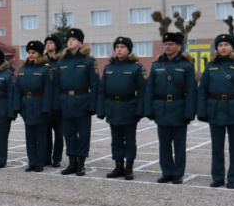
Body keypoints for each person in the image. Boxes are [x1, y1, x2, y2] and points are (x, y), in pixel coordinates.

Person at [197, 34, 234, 189]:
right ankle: (217, 177)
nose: (223, 48)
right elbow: (202, 91)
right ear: (216, 48)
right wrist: (201, 111)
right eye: (220, 45)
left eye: (226, 45)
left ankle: (233, 178)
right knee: (217, 147)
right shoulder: (211, 66)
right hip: (215, 108)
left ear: (232, 47)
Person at [144, 32, 197, 184]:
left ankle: (178, 173)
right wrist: (149, 110)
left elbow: (192, 91)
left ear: (179, 46)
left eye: (171, 44)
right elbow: (149, 90)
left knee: (179, 145)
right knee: (164, 144)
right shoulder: (157, 65)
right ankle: (166, 172)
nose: (167, 46)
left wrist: (189, 113)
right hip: (161, 108)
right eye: (166, 44)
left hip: (179, 108)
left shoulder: (186, 66)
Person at [97, 37, 146, 180]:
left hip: (129, 107)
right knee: (116, 139)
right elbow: (102, 90)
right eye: (117, 47)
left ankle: (129, 167)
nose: (119, 49)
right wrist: (101, 110)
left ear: (129, 50)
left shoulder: (136, 68)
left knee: (129, 140)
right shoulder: (109, 67)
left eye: (122, 47)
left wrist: (139, 110)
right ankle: (118, 166)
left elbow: (142, 91)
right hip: (113, 107)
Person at [56, 28, 99, 176]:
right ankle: (72, 162)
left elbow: (94, 85)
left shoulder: (88, 61)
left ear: (80, 43)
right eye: (68, 39)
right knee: (69, 134)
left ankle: (81, 163)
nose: (70, 41)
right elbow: (57, 84)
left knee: (83, 134)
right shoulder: (62, 62)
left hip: (82, 100)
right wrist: (58, 103)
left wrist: (93, 105)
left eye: (73, 39)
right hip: (66, 100)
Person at [13, 41, 54, 172]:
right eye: (29, 53)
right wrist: (17, 106)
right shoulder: (23, 69)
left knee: (41, 137)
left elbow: (49, 91)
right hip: (27, 105)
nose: (30, 55)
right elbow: (18, 89)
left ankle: (40, 162)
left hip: (39, 104)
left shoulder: (45, 70)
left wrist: (46, 108)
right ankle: (32, 161)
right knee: (29, 136)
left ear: (39, 54)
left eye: (33, 53)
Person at [42, 34, 64, 168]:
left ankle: (57, 158)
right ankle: (46, 157)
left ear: (56, 45)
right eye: (46, 42)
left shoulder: (61, 61)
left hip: (59, 103)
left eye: (51, 42)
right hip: (46, 102)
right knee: (46, 132)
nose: (48, 44)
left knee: (59, 133)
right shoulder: (42, 61)